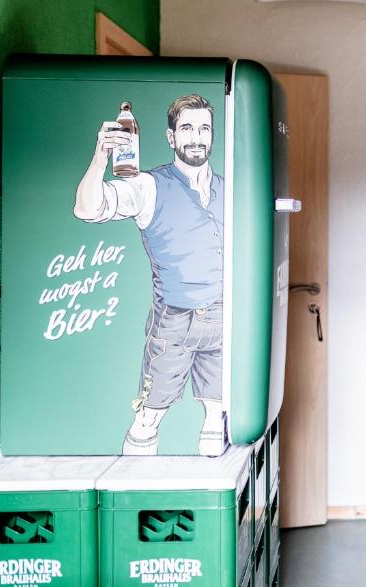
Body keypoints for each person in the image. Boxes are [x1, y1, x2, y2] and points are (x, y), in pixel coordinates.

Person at [74, 94, 225, 456]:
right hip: (175, 320)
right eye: (187, 128)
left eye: (204, 129)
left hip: (224, 317)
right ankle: (133, 494)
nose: (197, 137)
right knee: (147, 420)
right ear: (171, 137)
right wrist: (100, 158)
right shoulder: (149, 186)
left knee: (216, 420)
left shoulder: (229, 186)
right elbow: (87, 209)